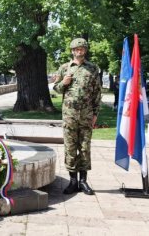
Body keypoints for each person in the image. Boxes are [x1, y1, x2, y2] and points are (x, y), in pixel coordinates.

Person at [53, 38, 101, 195]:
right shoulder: (64, 68)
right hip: (69, 116)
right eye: (76, 49)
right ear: (72, 51)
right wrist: (64, 83)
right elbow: (56, 89)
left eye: (82, 49)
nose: (79, 51)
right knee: (70, 148)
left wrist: (95, 114)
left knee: (85, 148)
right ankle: (73, 181)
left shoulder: (93, 69)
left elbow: (97, 93)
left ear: (85, 50)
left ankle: (83, 181)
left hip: (86, 116)